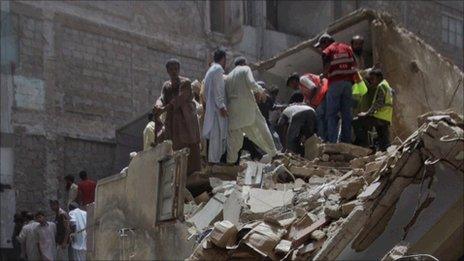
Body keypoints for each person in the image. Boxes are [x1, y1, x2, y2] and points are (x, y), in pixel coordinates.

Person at [225, 57, 277, 164]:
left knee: (236, 139)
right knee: (262, 126)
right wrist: (261, 91)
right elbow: (252, 83)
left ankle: (230, 163)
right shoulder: (245, 69)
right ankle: (273, 153)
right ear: (244, 63)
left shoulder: (229, 76)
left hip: (233, 111)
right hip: (247, 106)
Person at [154, 59, 201, 175]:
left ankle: (194, 174)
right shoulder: (166, 85)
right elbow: (162, 98)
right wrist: (158, 106)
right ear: (167, 71)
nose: (174, 72)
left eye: (176, 69)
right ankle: (179, 174)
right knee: (175, 148)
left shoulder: (186, 82)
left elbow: (179, 99)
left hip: (186, 121)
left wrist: (164, 109)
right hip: (173, 123)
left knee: (191, 147)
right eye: (171, 69)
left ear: (179, 70)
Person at [315, 33, 357, 143]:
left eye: (321, 46)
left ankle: (332, 142)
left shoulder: (328, 50)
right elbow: (355, 64)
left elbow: (327, 67)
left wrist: (322, 76)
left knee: (331, 114)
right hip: (348, 84)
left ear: (326, 43)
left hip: (335, 84)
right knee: (346, 114)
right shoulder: (347, 48)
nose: (321, 49)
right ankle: (346, 141)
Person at [352, 69, 393, 151]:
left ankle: (364, 144)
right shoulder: (387, 85)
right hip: (386, 117)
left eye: (373, 79)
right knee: (383, 139)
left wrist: (367, 113)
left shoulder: (381, 86)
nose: (371, 81)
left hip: (379, 116)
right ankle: (385, 153)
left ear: (379, 77)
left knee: (356, 122)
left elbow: (379, 103)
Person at [202, 49, 228, 163]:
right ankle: (214, 163)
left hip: (212, 108)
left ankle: (214, 162)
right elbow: (218, 90)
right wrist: (221, 106)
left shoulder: (210, 70)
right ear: (223, 59)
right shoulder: (217, 69)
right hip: (217, 110)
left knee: (215, 138)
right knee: (216, 138)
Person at [286, 72, 329, 141]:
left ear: (294, 80)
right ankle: (325, 137)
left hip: (324, 93)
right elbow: (305, 99)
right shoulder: (301, 87)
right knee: (322, 118)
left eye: (291, 84)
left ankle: (323, 138)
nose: (291, 87)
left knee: (319, 117)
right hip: (321, 97)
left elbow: (313, 88)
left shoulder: (302, 79)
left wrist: (309, 100)